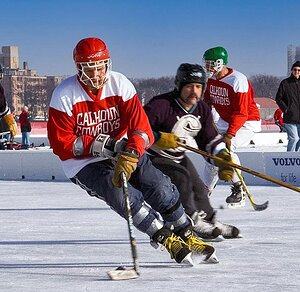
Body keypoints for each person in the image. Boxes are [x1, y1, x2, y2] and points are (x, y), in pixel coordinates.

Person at [47, 37, 219, 265]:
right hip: (83, 162)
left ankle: (186, 232)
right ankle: (164, 237)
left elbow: (141, 127)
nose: (97, 75)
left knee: (158, 185)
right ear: (79, 68)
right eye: (90, 69)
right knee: (120, 194)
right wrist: (102, 145)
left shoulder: (119, 84)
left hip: (123, 149)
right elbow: (60, 143)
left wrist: (131, 152)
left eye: (100, 67)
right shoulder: (64, 94)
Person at [143, 63, 239, 240]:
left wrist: (222, 157)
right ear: (179, 86)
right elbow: (137, 128)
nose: (194, 91)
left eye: (198, 86)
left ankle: (210, 220)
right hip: (154, 157)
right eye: (189, 86)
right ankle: (191, 221)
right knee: (183, 180)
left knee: (199, 186)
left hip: (178, 155)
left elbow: (208, 138)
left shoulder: (202, 109)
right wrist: (157, 137)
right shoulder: (161, 105)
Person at [202, 46, 261, 208]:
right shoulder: (212, 79)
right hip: (227, 121)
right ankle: (204, 190)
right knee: (211, 151)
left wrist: (230, 134)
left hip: (247, 122)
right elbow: (207, 101)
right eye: (206, 64)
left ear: (220, 63)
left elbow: (241, 113)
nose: (207, 67)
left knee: (224, 149)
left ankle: (238, 189)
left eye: (210, 64)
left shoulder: (237, 80)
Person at [275, 61, 300, 151]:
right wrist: (286, 109)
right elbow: (278, 98)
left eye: (299, 70)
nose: (297, 72)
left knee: (299, 140)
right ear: (291, 70)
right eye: (295, 70)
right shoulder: (285, 83)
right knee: (294, 139)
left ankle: (296, 158)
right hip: (290, 117)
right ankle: (289, 157)